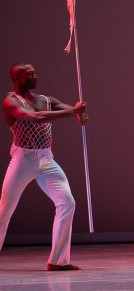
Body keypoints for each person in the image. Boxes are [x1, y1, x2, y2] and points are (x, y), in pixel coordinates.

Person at [0, 63, 87, 271]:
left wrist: (78, 113)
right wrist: (72, 112)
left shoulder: (44, 100)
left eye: (34, 73)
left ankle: (58, 260)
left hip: (47, 160)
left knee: (67, 202)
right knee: (5, 210)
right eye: (29, 74)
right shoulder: (11, 101)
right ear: (17, 78)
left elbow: (70, 110)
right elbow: (34, 118)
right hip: (23, 160)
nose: (35, 76)